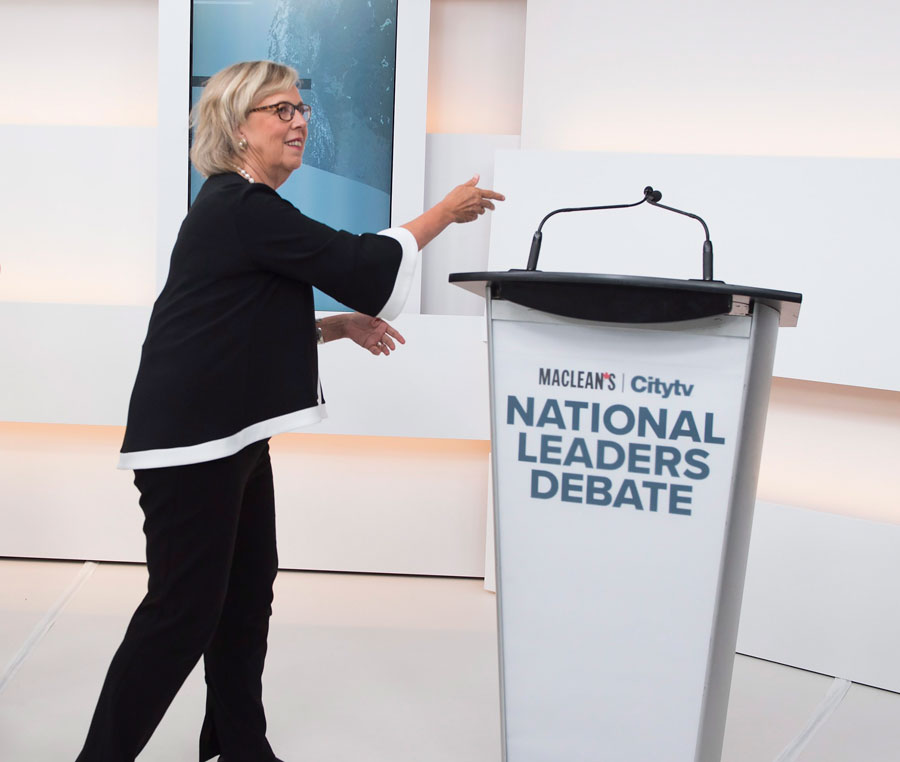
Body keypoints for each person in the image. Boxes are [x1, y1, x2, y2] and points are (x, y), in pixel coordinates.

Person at [75, 60, 504, 762]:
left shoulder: (238, 211)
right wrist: (440, 216)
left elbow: (233, 318)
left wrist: (337, 327)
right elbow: (357, 263)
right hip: (193, 449)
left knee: (247, 596)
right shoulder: (241, 207)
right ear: (238, 129)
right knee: (181, 616)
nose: (300, 120)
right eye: (280, 110)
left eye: (301, 108)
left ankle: (240, 744)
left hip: (232, 440)